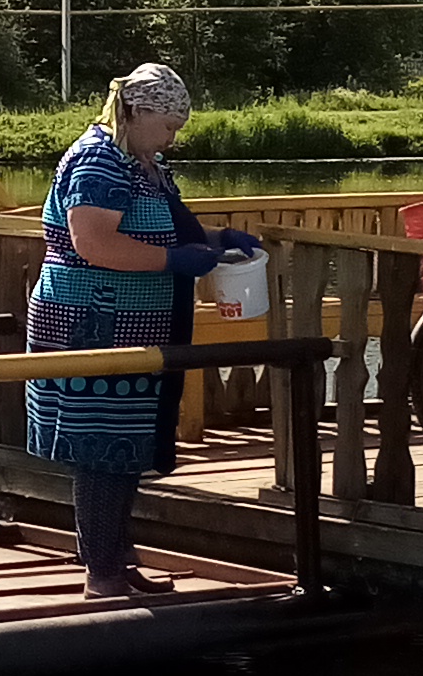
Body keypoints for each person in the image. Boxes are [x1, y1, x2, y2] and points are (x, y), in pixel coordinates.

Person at [22, 63, 258, 597]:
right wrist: (174, 261)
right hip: (92, 323)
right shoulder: (98, 161)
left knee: (124, 444)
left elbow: (166, 225)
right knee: (102, 446)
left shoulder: (141, 162)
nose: (173, 139)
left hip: (132, 324)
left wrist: (217, 240)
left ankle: (115, 563)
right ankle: (102, 575)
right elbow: (94, 243)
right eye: (169, 126)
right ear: (137, 111)